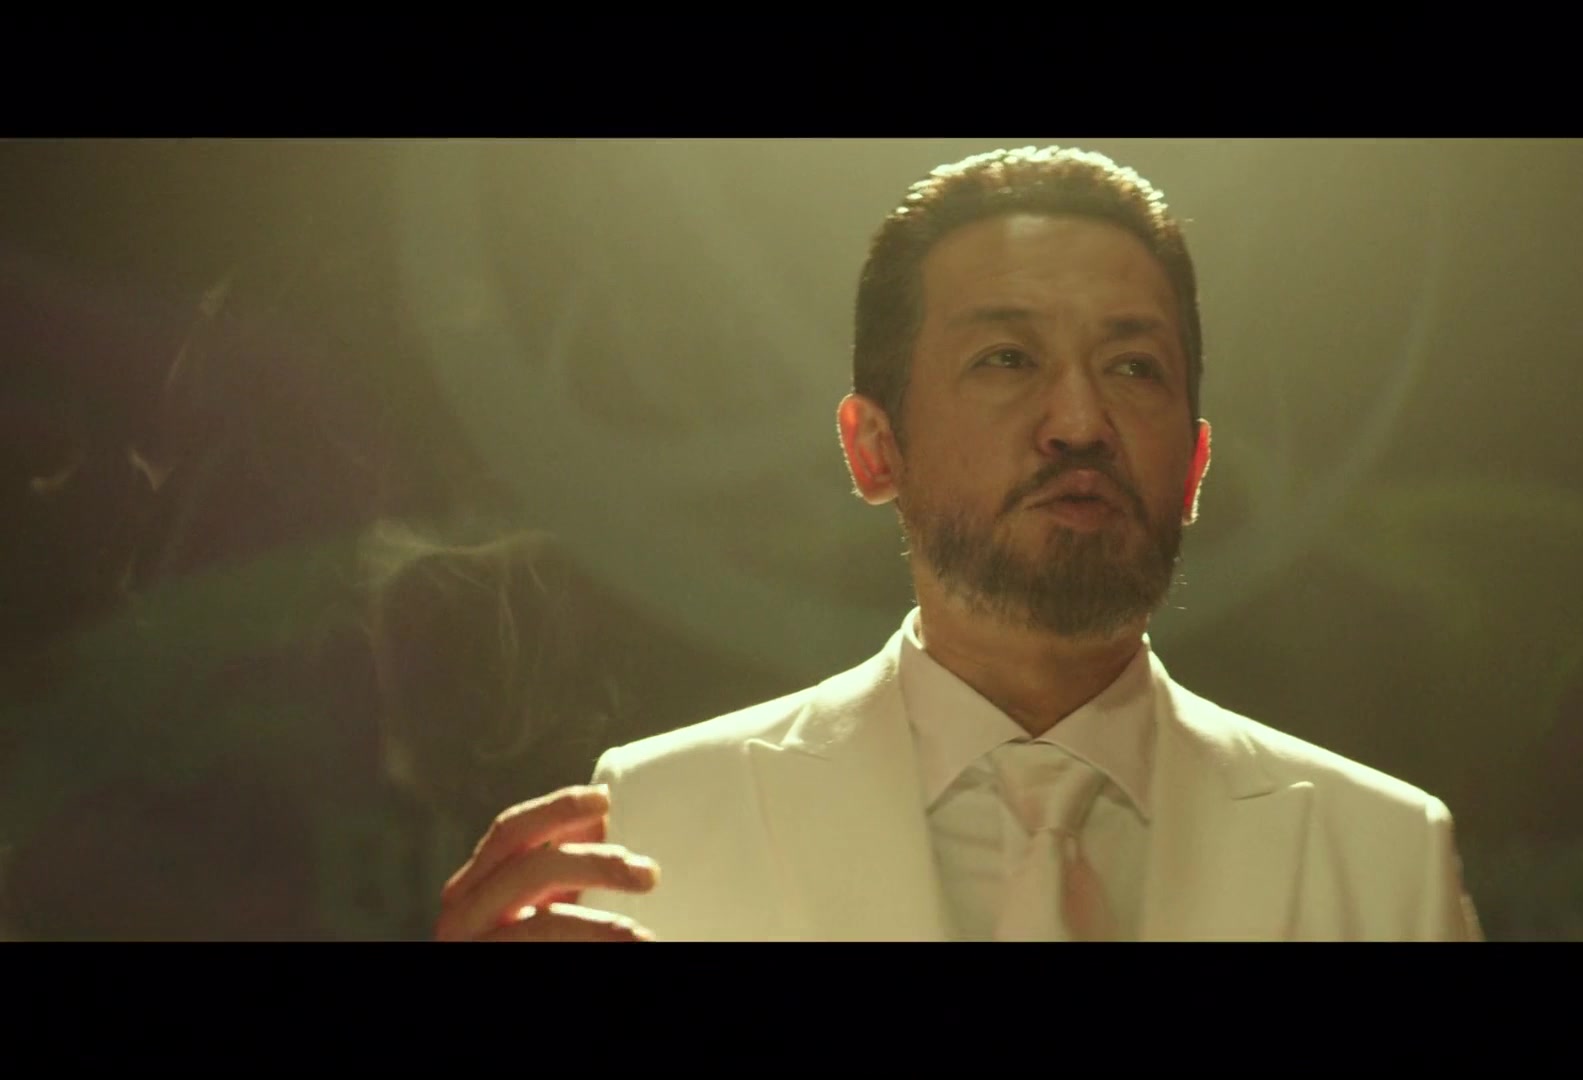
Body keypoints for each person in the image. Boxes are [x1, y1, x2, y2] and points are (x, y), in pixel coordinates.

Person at [433, 145, 1483, 942]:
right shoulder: (658, 824)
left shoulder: (1385, 858)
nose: (1080, 421)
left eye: (1133, 368)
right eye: (1007, 358)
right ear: (873, 448)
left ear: (1197, 465)